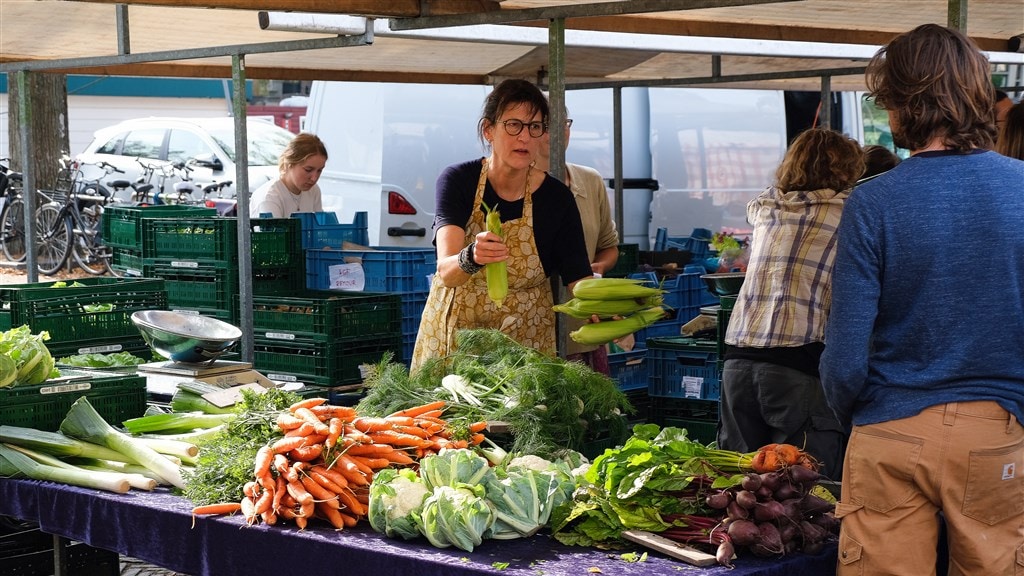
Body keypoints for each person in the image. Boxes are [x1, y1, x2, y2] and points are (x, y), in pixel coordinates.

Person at [820, 24, 1024, 576]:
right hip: (998, 427)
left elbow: (844, 354)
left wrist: (859, 415)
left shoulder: (873, 200)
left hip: (890, 427)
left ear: (903, 103)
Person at [410, 79, 593, 371]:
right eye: (513, 125)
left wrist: (606, 305)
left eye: (535, 127)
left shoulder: (557, 198)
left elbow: (578, 277)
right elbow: (446, 272)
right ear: (488, 130)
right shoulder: (459, 181)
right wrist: (472, 257)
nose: (524, 137)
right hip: (458, 342)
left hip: (525, 350)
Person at [717, 127, 864, 481]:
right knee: (803, 491)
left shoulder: (767, 208)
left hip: (737, 362)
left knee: (741, 485)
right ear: (846, 170)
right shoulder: (848, 212)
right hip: (797, 365)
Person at [536, 110, 620, 374]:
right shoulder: (516, 186)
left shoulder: (590, 180)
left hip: (583, 324)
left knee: (589, 406)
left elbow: (609, 245)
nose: (559, 132)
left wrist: (596, 269)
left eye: (564, 123)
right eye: (546, 125)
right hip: (534, 329)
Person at [248, 132, 327, 218]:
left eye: (319, 170)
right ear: (290, 164)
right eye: (308, 170)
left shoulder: (313, 191)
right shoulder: (269, 198)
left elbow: (321, 228)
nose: (314, 178)